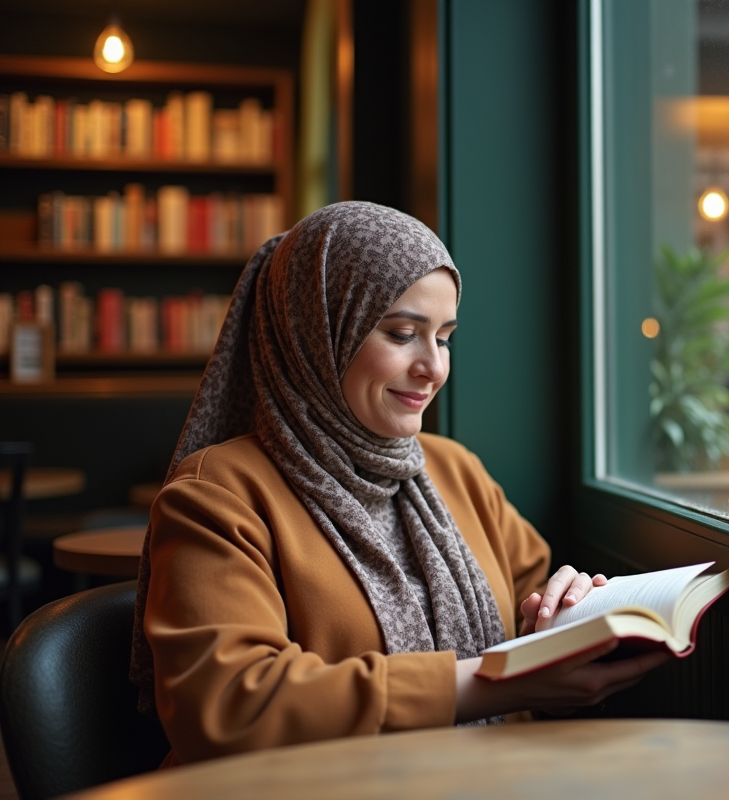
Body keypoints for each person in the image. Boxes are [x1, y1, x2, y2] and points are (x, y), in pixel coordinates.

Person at [131, 202, 669, 766]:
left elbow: (530, 607)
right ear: (318, 332)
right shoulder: (216, 493)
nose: (433, 367)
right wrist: (495, 685)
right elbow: (231, 707)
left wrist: (565, 610)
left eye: (444, 338)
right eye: (403, 333)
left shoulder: (455, 469)